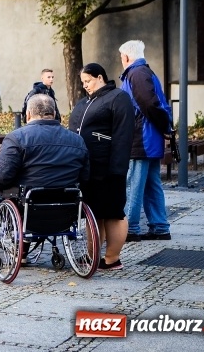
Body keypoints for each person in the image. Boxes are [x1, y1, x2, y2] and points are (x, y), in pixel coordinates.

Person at [69, 63, 134, 271]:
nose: (85, 86)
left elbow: (123, 136)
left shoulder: (118, 98)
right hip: (88, 169)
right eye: (82, 82)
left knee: (114, 212)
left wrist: (117, 170)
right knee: (94, 212)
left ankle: (112, 258)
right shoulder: (84, 102)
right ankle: (93, 256)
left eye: (87, 81)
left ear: (100, 77)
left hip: (108, 168)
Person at [119, 40, 174, 242]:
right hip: (150, 138)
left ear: (126, 57)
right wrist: (164, 128)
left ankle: (130, 228)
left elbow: (149, 105)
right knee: (151, 184)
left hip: (141, 139)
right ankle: (160, 227)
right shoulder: (145, 72)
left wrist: (164, 127)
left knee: (134, 183)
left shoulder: (136, 73)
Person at [0, 94, 89, 193]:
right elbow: (85, 178)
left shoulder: (17, 138)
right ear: (54, 114)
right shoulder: (78, 140)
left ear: (28, 114)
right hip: (68, 202)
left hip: (27, 203)